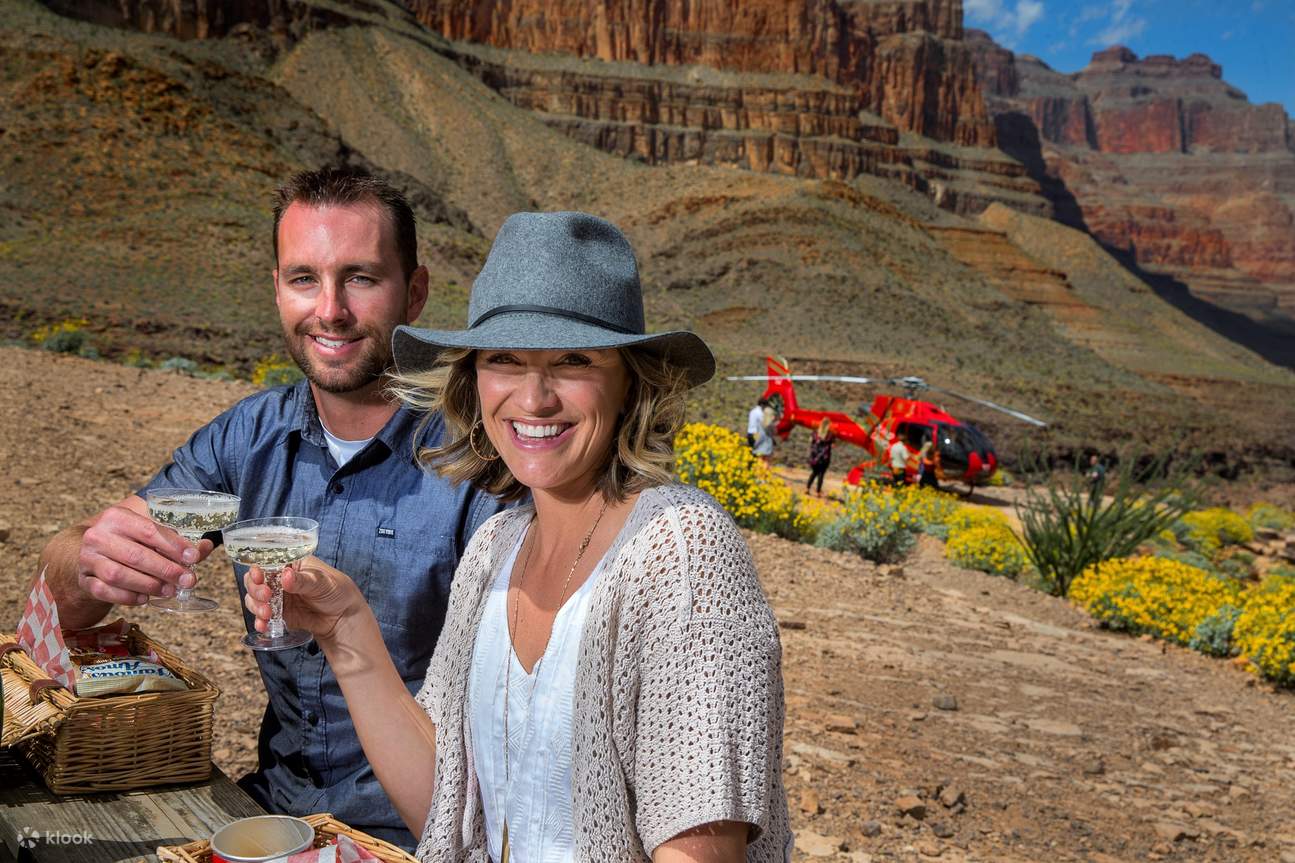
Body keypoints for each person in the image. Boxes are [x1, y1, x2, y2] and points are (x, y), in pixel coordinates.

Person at [243, 211, 791, 861]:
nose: (533, 398)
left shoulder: (680, 551)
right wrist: (344, 624)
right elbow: (445, 807)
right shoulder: (495, 548)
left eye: (572, 361)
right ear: (474, 380)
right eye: (505, 358)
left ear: (630, 382)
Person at [35, 166, 505, 848]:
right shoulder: (244, 438)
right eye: (304, 278)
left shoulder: (480, 463)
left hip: (425, 830)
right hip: (269, 811)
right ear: (277, 288)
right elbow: (65, 586)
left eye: (361, 277)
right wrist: (86, 563)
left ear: (416, 292)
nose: (331, 309)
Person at [806, 417, 834, 497]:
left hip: (815, 457)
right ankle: (818, 492)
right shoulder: (830, 435)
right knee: (821, 475)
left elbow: (810, 441)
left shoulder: (815, 433)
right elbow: (833, 445)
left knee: (814, 473)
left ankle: (807, 489)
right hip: (824, 457)